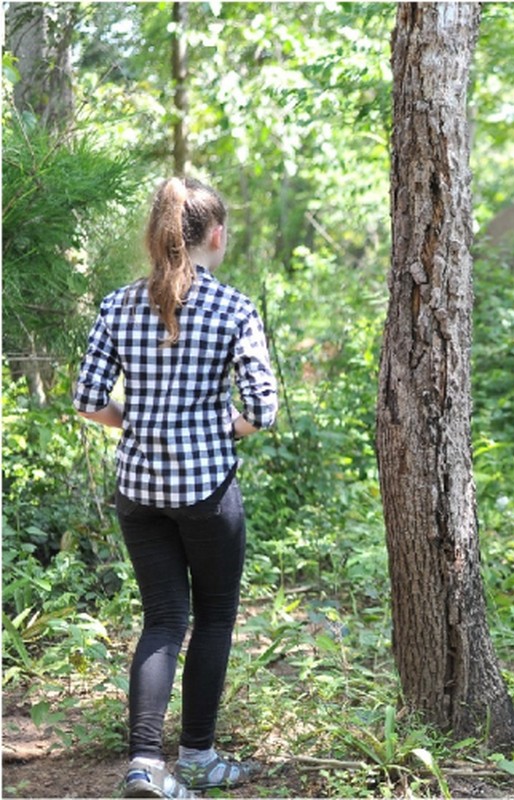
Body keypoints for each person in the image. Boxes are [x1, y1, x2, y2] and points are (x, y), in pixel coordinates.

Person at [73, 177, 277, 798]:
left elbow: (87, 401)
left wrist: (139, 422)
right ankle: (196, 758)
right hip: (208, 494)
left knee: (163, 619)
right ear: (216, 235)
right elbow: (263, 409)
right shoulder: (235, 309)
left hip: (138, 492)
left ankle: (143, 765)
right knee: (213, 618)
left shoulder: (118, 304)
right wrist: (223, 429)